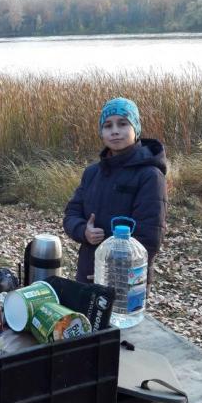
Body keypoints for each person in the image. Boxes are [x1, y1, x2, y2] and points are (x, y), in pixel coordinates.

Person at [63, 97, 167, 286]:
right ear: (101, 132)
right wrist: (84, 231)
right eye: (108, 126)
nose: (115, 131)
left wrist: (111, 273)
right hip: (88, 272)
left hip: (127, 282)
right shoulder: (92, 173)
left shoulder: (150, 175)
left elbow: (150, 237)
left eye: (123, 123)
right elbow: (71, 213)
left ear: (136, 128)